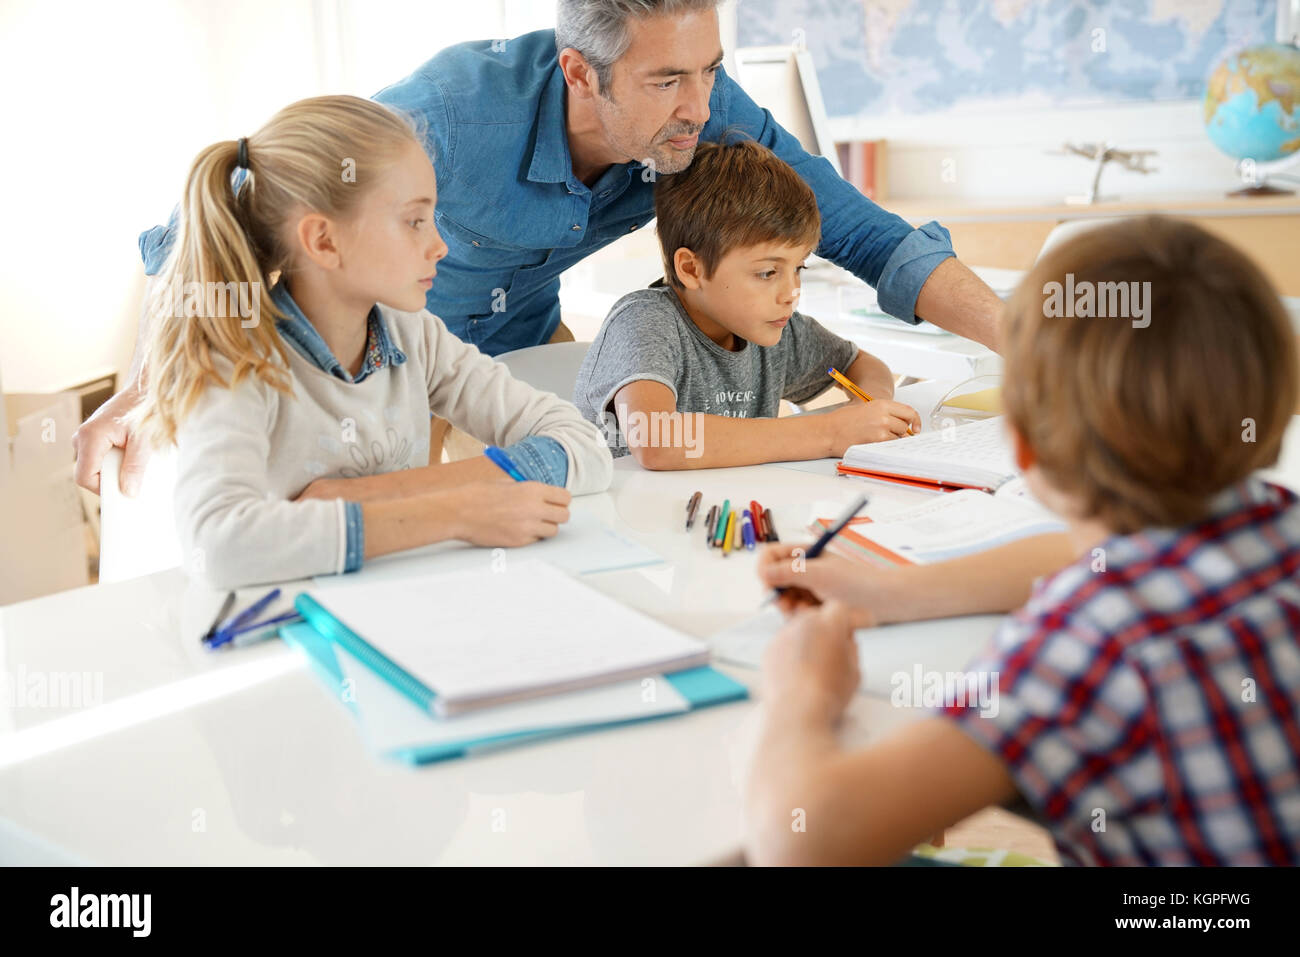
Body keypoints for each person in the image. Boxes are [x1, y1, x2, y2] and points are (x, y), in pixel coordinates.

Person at [76, 0, 1003, 494]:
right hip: (401, 354)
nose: (700, 103)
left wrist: (1021, 337)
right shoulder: (443, 120)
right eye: (668, 77)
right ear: (578, 73)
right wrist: (157, 372)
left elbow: (861, 230)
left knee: (589, 492)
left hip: (521, 337)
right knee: (406, 531)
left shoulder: (701, 114)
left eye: (712, 70)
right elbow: (228, 207)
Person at [745, 217, 1300, 866]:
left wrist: (801, 694)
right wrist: (886, 592)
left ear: (1027, 450)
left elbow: (800, 844)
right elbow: (1081, 557)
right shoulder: (1275, 523)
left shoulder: (1088, 644)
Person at [133, 95, 611, 590]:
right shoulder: (237, 361)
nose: (439, 245)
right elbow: (215, 546)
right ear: (323, 241)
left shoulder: (414, 335)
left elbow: (586, 447)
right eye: (414, 221)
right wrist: (452, 513)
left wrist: (374, 496)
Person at [574, 138, 920, 467]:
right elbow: (656, 439)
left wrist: (875, 405)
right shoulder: (645, 321)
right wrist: (829, 433)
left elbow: (862, 365)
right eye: (768, 273)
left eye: (798, 268)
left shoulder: (774, 327)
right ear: (692, 269)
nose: (791, 292)